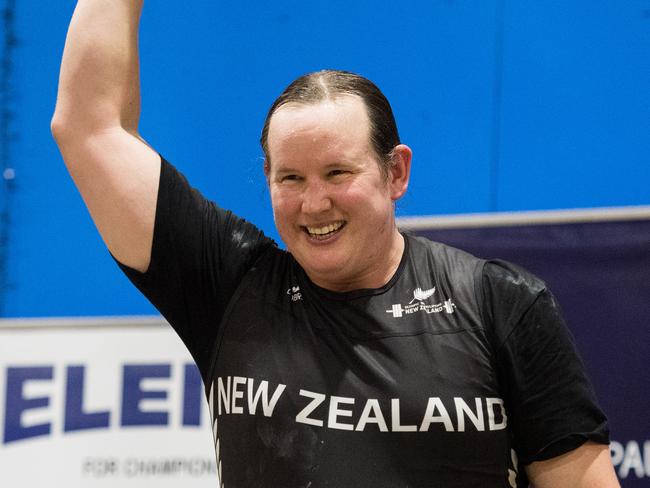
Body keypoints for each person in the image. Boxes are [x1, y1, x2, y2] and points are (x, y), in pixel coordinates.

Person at [51, 1, 620, 487]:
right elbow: (89, 127)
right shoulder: (227, 286)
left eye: (337, 173)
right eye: (290, 179)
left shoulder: (500, 303)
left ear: (395, 173)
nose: (314, 204)